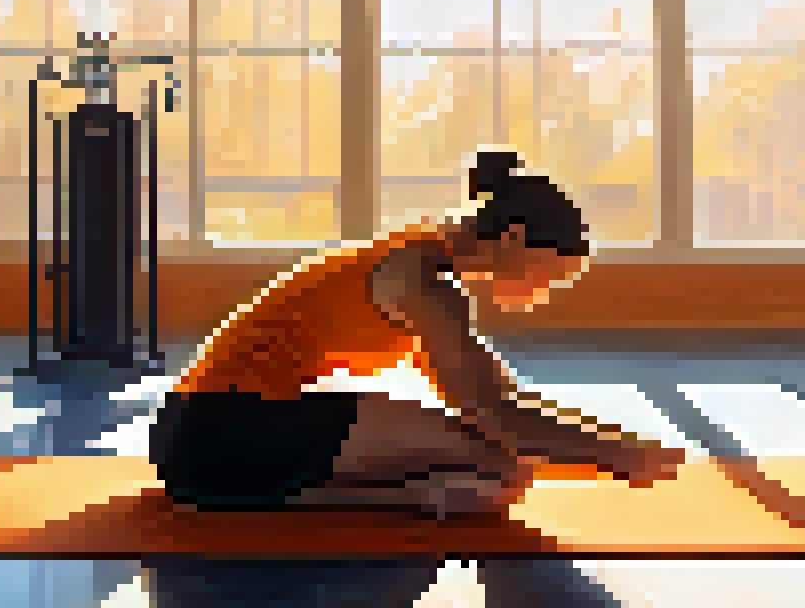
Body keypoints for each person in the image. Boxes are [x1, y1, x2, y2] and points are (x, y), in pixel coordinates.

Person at [150, 153, 685, 517]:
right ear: (514, 238)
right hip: (216, 432)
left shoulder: (430, 266)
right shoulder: (421, 279)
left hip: (203, 437)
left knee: (502, 467)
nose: (545, 290)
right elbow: (499, 420)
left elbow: (504, 398)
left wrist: (613, 439)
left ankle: (327, 493)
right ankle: (395, 498)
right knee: (499, 462)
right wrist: (619, 456)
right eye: (549, 272)